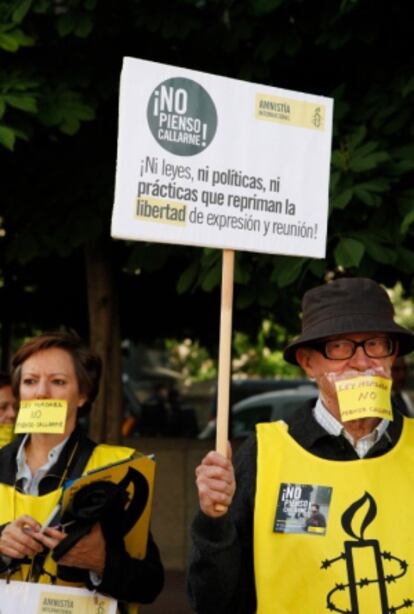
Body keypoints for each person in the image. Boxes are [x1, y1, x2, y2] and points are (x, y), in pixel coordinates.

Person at [187, 277, 414, 613]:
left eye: (376, 344)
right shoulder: (264, 454)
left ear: (392, 358)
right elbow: (212, 601)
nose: (362, 362)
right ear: (308, 363)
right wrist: (213, 521)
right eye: (339, 347)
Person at [0, 331, 164, 611]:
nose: (41, 392)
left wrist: (101, 563)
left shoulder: (117, 471)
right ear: (19, 394)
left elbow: (149, 583)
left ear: (83, 395)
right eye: (30, 382)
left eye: (58, 382)